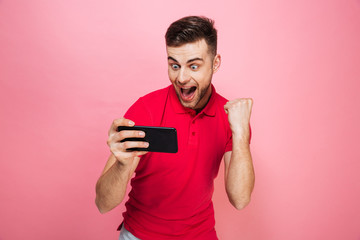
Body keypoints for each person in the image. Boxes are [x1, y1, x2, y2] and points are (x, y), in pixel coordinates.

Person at [95, 16, 255, 240]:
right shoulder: (145, 109)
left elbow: (240, 199)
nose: (181, 77)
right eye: (174, 65)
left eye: (194, 66)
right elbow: (103, 204)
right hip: (140, 235)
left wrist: (241, 133)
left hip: (200, 235)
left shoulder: (231, 117)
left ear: (215, 63)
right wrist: (122, 165)